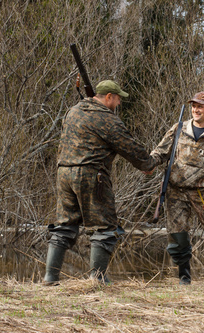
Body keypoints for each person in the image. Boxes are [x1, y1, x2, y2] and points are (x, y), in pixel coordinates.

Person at [43, 80, 156, 286]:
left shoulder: (73, 111)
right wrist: (147, 164)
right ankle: (97, 279)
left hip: (63, 174)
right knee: (104, 227)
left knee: (64, 225)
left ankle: (50, 278)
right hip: (91, 175)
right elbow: (127, 145)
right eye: (118, 98)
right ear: (109, 96)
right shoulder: (107, 119)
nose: (119, 103)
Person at [150, 91, 204, 285]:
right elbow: (160, 152)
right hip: (175, 192)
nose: (196, 110)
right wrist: (149, 164)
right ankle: (184, 279)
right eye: (193, 106)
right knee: (178, 237)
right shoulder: (178, 128)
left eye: (200, 106)